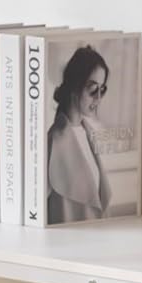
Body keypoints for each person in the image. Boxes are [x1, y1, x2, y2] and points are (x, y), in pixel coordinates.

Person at [47, 45, 113, 223]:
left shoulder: (89, 134)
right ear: (75, 86)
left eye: (102, 89)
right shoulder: (53, 141)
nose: (98, 98)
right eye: (92, 89)